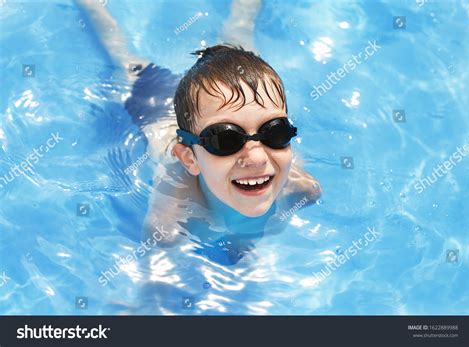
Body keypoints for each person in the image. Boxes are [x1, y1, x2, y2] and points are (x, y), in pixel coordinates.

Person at [77, 1, 321, 258]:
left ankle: (244, 10)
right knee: (121, 57)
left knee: (239, 43)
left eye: (275, 132)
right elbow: (156, 276)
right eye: (226, 139)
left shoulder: (301, 189)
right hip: (158, 105)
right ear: (189, 159)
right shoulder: (171, 212)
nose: (258, 157)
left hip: (219, 103)